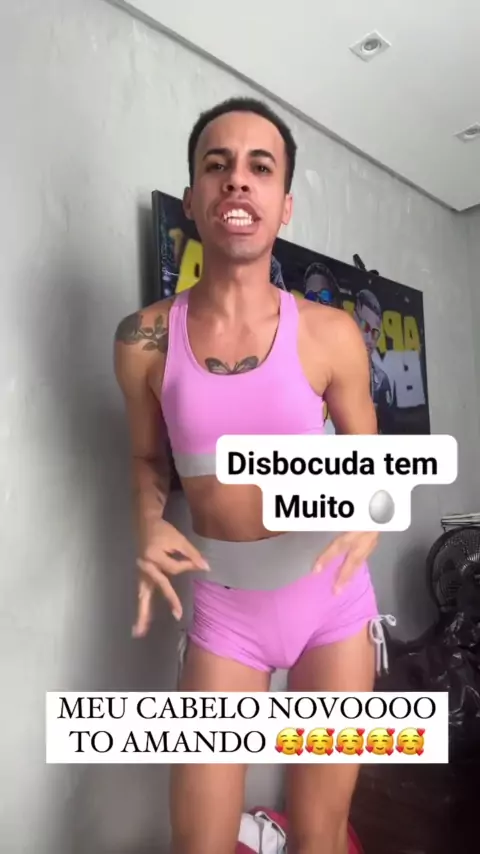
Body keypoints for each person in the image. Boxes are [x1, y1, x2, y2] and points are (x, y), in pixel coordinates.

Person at [114, 97, 388, 854]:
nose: (238, 180)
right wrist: (146, 522)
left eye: (260, 168)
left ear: (284, 204)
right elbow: (147, 460)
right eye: (218, 165)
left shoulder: (331, 334)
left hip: (332, 605)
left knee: (320, 836)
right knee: (198, 843)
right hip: (224, 613)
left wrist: (372, 510)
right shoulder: (143, 339)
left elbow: (372, 462)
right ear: (194, 197)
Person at [353, 289, 394, 433]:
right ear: (353, 319)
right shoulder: (332, 368)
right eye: (365, 326)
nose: (369, 339)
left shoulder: (381, 381)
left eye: (375, 332)